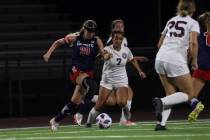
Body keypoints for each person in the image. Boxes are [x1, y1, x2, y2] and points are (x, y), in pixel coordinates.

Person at [73, 19, 148, 126]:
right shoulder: (109, 44)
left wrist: (139, 68)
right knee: (105, 103)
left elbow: (126, 57)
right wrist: (104, 56)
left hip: (121, 78)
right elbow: (101, 56)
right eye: (118, 27)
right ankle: (87, 113)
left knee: (120, 101)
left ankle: (124, 118)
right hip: (108, 78)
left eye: (122, 26)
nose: (120, 28)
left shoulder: (125, 44)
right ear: (113, 32)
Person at [43, 20, 110, 131]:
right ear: (84, 29)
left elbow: (103, 54)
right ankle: (80, 113)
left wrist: (106, 57)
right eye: (89, 31)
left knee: (74, 103)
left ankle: (55, 120)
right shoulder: (75, 37)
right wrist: (48, 53)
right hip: (76, 71)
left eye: (93, 31)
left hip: (88, 73)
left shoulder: (96, 40)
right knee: (92, 86)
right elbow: (58, 42)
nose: (91, 33)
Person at [153, 0, 199, 131]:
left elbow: (159, 44)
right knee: (189, 93)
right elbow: (194, 44)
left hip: (160, 58)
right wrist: (194, 61)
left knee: (170, 94)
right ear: (193, 10)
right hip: (175, 59)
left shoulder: (171, 20)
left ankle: (161, 124)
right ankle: (160, 102)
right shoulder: (193, 23)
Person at [188, 12, 210, 122]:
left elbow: (192, 45)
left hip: (202, 65)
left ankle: (197, 106)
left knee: (190, 95)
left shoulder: (197, 32)